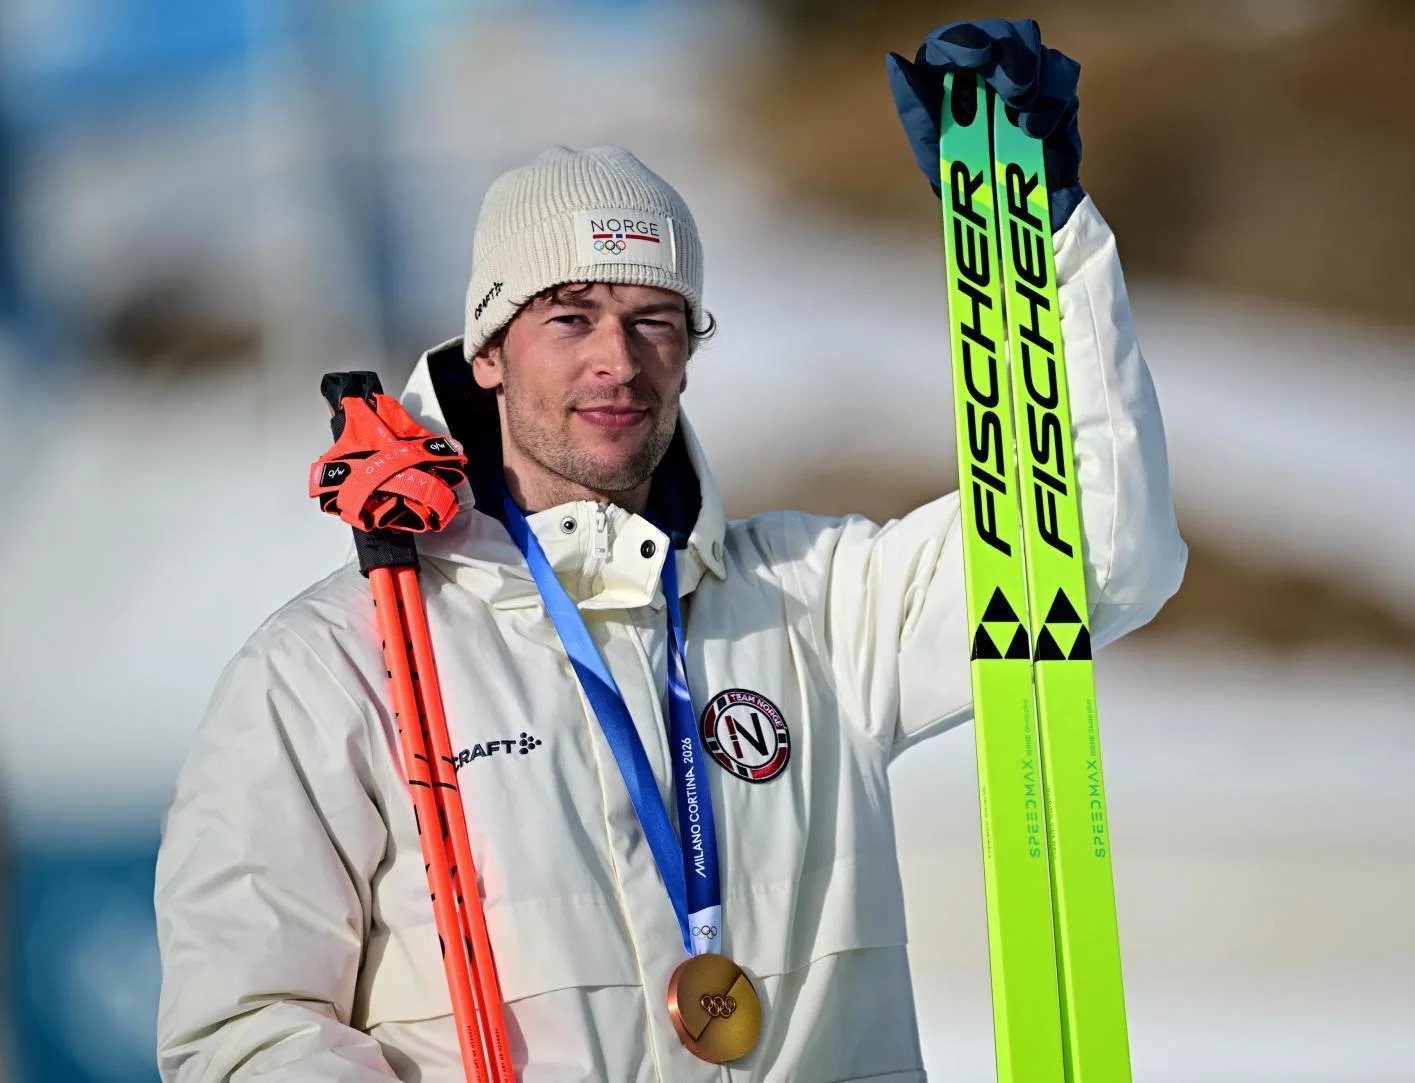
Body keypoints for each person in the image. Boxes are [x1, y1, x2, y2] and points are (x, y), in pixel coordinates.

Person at [155, 19, 1186, 1083]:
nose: (618, 360)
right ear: (488, 352)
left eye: (655, 320)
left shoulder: (814, 605)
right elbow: (245, 1030)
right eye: (571, 316)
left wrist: (1042, 241)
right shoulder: (336, 665)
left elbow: (1097, 549)